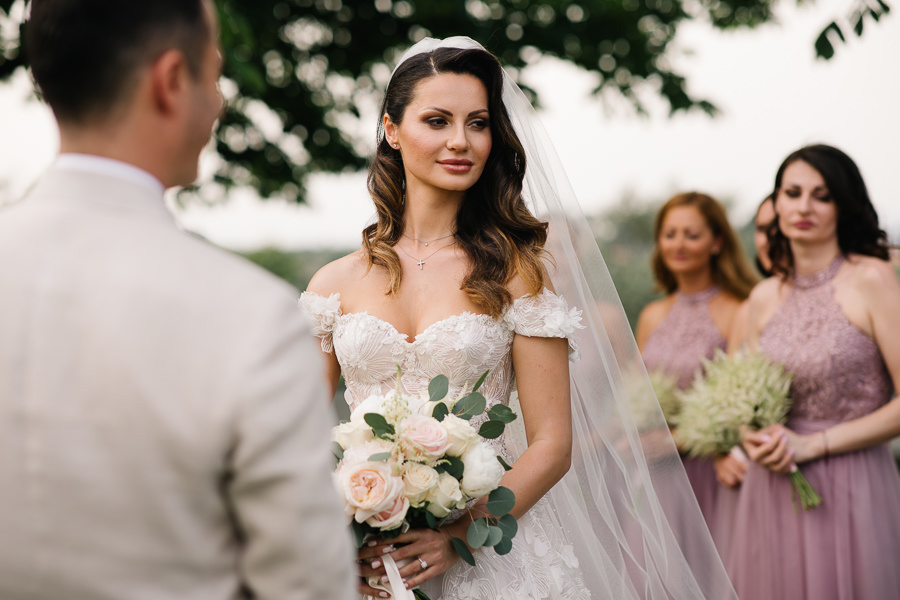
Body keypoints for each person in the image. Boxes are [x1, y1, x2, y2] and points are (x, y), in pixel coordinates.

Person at [301, 37, 737, 600]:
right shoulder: (332, 284)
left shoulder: (517, 275)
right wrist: (338, 537)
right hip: (364, 565)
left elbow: (553, 445)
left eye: (478, 123)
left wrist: (458, 536)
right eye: (437, 121)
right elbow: (296, 436)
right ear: (391, 128)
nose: (461, 141)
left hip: (492, 558)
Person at [0, 2, 355, 599]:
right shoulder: (252, 318)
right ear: (170, 82)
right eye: (212, 74)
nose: (218, 101)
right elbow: (306, 586)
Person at [729, 144, 900, 599]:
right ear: (777, 202)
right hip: (772, 484)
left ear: (843, 205)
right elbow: (748, 397)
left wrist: (814, 443)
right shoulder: (763, 297)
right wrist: (751, 436)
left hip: (852, 480)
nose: (804, 206)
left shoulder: (874, 279)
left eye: (822, 195)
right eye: (793, 192)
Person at [635, 192, 757, 549]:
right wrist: (634, 435)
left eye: (692, 234)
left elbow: (740, 400)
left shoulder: (739, 310)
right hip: (657, 474)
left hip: (713, 471)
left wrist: (680, 440)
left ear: (717, 241)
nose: (679, 244)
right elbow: (640, 394)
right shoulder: (651, 315)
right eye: (670, 234)